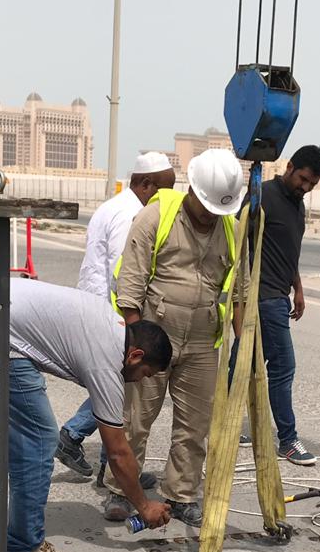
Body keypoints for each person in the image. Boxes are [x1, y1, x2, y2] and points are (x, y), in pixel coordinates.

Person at [102, 148, 247, 528]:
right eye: (207, 205)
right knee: (136, 419)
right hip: (154, 333)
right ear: (192, 189)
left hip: (202, 339)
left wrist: (244, 348)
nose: (211, 215)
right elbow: (130, 284)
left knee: (195, 424)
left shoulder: (232, 228)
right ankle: (120, 490)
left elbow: (241, 291)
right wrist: (137, 341)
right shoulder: (156, 216)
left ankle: (181, 494)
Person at [7, 279, 172, 552]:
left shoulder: (111, 324)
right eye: (146, 373)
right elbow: (117, 453)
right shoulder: (107, 361)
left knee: (17, 439)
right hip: (5, 337)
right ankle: (22, 549)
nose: (142, 380)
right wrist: (145, 506)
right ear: (135, 356)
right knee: (40, 441)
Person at [56, 152, 177, 481]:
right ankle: (79, 439)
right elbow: (123, 271)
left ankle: (106, 466)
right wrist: (134, 322)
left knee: (116, 388)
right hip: (113, 312)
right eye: (164, 189)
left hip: (97, 304)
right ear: (146, 183)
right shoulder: (132, 214)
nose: (167, 198)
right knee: (119, 389)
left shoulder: (113, 206)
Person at [231, 145, 320, 465]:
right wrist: (240, 299)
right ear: (289, 168)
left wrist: (298, 288)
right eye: (303, 179)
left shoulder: (298, 205)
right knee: (283, 366)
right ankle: (288, 439)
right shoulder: (263, 196)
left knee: (241, 362)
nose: (306, 187)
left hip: (280, 293)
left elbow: (289, 252)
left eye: (312, 184)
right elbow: (239, 241)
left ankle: (226, 424)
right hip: (263, 296)